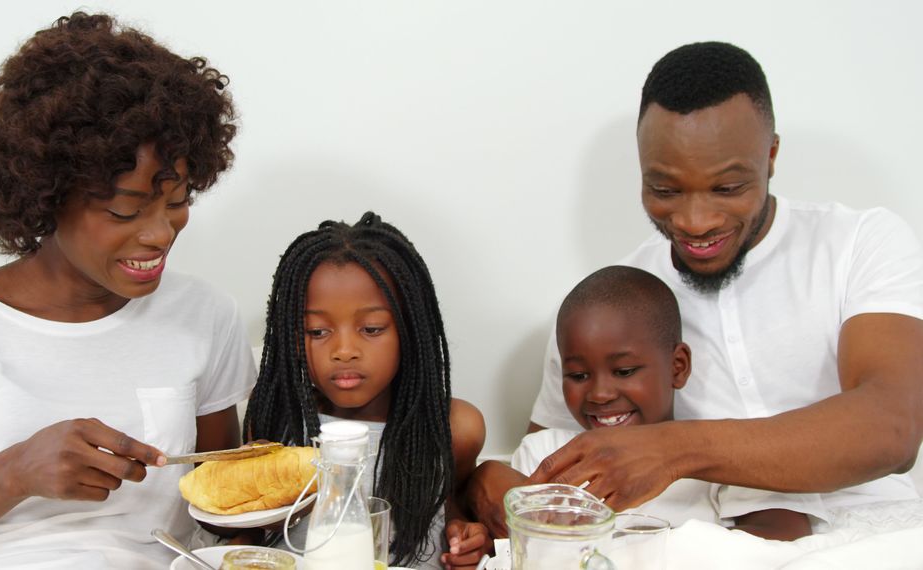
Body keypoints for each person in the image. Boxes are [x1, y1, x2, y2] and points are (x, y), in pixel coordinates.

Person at [0, 13, 254, 569]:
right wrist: (12, 474)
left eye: (177, 202)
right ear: (45, 193)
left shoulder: (204, 315)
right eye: (125, 210)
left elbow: (223, 506)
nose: (159, 234)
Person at [471, 41, 923, 535]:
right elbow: (551, 460)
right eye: (664, 190)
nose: (695, 221)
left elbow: (893, 427)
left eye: (727, 188)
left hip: (877, 533)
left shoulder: (861, 243)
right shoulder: (610, 306)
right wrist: (484, 482)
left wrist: (672, 450)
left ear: (770, 156)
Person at [472, 266, 824, 541]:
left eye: (624, 371)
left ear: (678, 367)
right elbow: (511, 541)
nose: (599, 394)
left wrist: (643, 548)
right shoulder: (544, 455)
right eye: (578, 376)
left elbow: (783, 533)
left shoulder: (716, 455)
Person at [243, 212, 490, 569]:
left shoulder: (454, 426)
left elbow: (451, 507)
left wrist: (464, 533)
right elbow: (246, 531)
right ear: (293, 337)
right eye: (317, 331)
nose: (344, 350)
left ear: (409, 330)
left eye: (371, 329)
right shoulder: (279, 418)